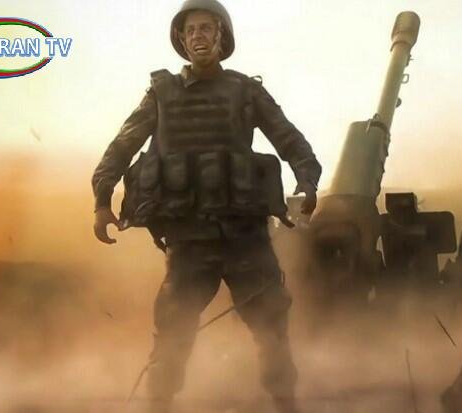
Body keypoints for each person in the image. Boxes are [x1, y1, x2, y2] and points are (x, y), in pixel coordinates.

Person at [91, 1, 321, 411]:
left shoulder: (245, 91)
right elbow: (123, 145)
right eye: (191, 30)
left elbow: (289, 138)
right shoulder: (162, 94)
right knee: (172, 331)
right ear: (181, 40)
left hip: (246, 237)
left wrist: (307, 179)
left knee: (271, 328)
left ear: (221, 36)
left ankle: (286, 404)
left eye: (206, 28)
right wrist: (102, 199)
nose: (198, 36)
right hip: (189, 239)